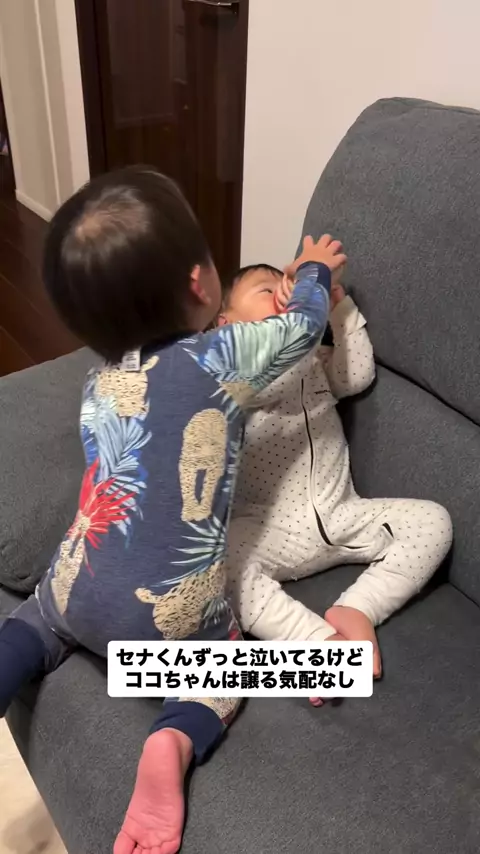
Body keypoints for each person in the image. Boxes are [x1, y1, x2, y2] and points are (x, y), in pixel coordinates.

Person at [0, 166, 346, 854]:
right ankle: (173, 739)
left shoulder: (100, 383)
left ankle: (12, 658)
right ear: (199, 284)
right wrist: (312, 271)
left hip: (76, 591)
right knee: (229, 667)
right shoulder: (224, 355)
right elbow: (306, 327)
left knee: (36, 617)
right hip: (166, 624)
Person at [220, 259, 453, 700]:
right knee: (221, 563)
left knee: (433, 522)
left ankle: (356, 608)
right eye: (267, 290)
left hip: (341, 515)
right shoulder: (234, 374)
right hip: (270, 529)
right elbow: (275, 375)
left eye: (287, 288)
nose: (282, 295)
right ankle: (312, 642)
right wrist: (302, 306)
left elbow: (357, 375)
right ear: (225, 323)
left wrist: (339, 310)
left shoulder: (314, 362)